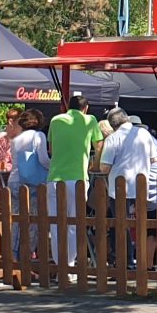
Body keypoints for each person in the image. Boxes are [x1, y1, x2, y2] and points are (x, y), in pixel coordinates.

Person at [99, 108, 157, 269]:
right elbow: (153, 159)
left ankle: (138, 264)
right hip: (146, 186)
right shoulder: (144, 135)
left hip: (130, 188)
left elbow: (104, 168)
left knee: (133, 227)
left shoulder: (113, 138)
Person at [46, 93, 105, 262]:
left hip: (54, 177)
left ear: (68, 107)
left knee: (55, 223)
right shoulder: (90, 120)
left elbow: (51, 149)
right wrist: (95, 164)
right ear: (85, 108)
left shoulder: (55, 120)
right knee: (74, 222)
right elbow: (99, 145)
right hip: (77, 177)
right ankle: (70, 264)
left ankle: (59, 263)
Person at [9, 108, 50, 264]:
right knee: (33, 220)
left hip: (14, 180)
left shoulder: (16, 139)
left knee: (15, 219)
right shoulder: (38, 136)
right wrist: (53, 166)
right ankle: (26, 255)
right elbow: (43, 159)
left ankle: (12, 255)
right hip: (32, 182)